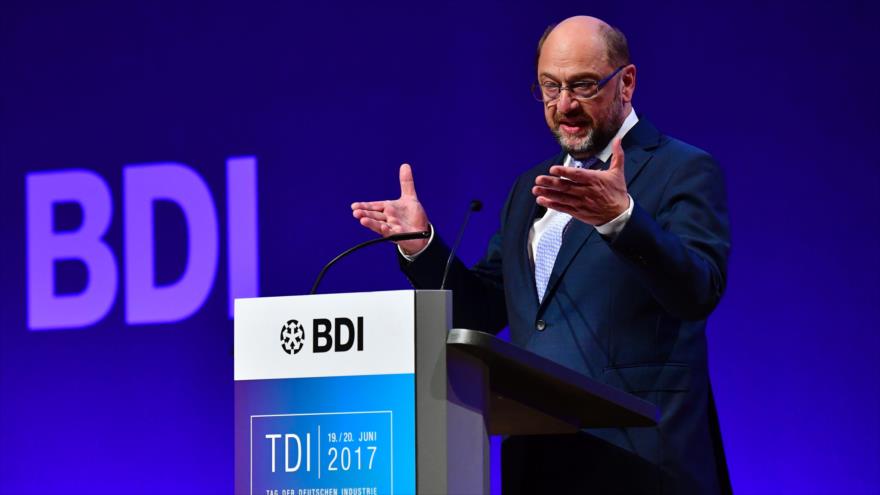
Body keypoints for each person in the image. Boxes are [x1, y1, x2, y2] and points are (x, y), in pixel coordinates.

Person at [351, 15, 731, 495]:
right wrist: (422, 245)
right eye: (549, 88)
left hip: (642, 464)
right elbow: (483, 310)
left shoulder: (682, 169)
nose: (564, 105)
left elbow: (698, 290)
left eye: (583, 86)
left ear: (627, 82)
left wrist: (623, 220)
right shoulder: (530, 189)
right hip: (539, 464)